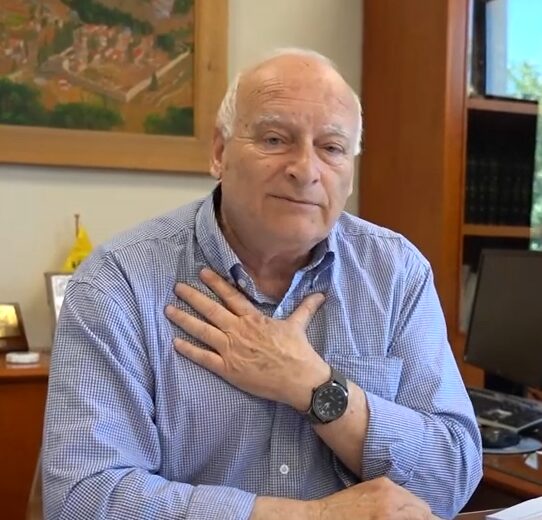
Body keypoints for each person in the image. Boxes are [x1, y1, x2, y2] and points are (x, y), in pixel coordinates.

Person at [42, 48, 482, 520]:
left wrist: (314, 386)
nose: (305, 170)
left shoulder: (395, 273)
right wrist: (313, 517)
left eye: (332, 148)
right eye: (275, 139)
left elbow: (451, 478)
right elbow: (82, 499)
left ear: (351, 173)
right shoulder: (118, 283)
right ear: (219, 153)